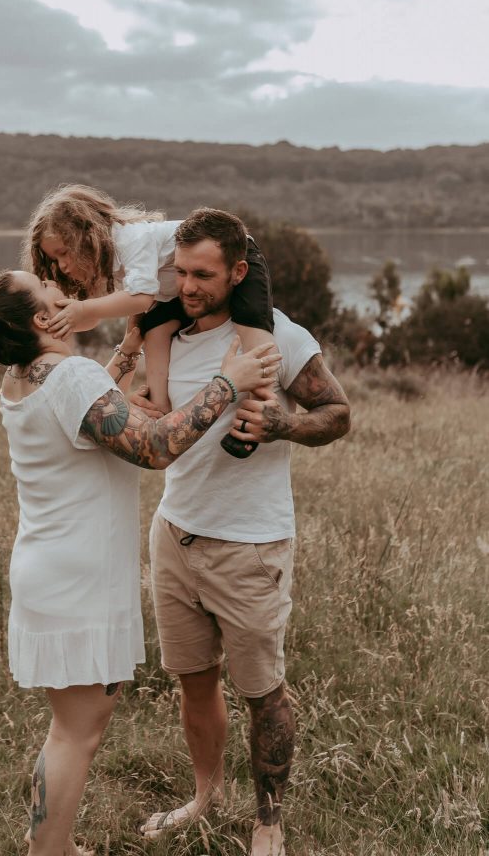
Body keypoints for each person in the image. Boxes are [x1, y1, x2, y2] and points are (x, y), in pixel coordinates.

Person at [0, 268, 279, 856]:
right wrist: (228, 381)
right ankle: (47, 852)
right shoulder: (68, 376)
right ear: (44, 321)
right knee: (79, 734)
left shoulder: (22, 377)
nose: (70, 300)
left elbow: (94, 405)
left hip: (52, 568)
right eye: (55, 298)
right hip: (80, 578)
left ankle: (55, 844)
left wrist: (126, 350)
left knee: (68, 728)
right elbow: (152, 446)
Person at [135, 209, 351, 856]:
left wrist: (283, 425)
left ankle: (268, 823)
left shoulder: (278, 335)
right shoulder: (168, 332)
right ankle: (205, 796)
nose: (190, 285)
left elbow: (338, 413)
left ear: (237, 271)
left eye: (204, 274)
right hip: (174, 533)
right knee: (193, 679)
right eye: (182, 271)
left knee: (262, 692)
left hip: (251, 545)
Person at [24, 183, 275, 457]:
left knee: (252, 328)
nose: (62, 266)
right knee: (153, 330)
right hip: (174, 290)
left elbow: (141, 298)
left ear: (87, 236)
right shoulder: (103, 263)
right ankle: (161, 412)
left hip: (228, 257)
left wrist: (82, 310)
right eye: (54, 259)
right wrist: (67, 318)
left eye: (64, 252)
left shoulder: (133, 239)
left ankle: (257, 414)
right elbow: (91, 319)